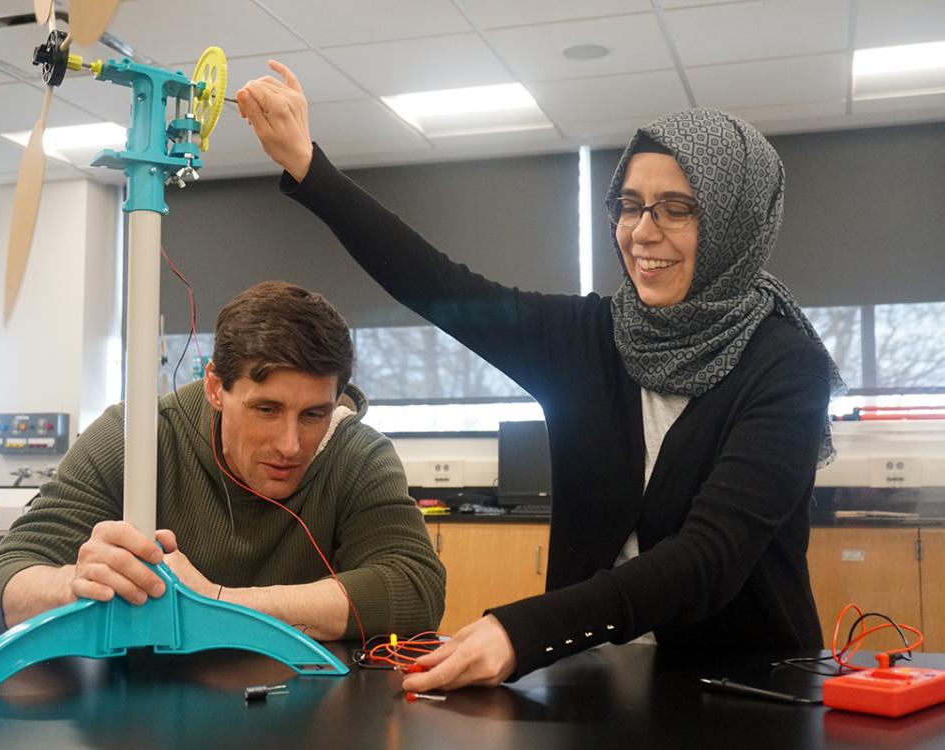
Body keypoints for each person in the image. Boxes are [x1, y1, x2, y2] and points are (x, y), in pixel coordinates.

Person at [236, 63, 846, 692]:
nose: (642, 232)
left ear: (733, 222)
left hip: (743, 691)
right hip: (589, 679)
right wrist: (310, 167)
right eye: (630, 206)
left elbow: (708, 557)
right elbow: (439, 285)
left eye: (677, 209)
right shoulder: (590, 338)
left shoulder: (785, 366)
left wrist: (522, 631)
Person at [0, 281, 446, 641]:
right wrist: (76, 585)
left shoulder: (358, 455)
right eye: (266, 409)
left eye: (314, 414)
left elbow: (415, 590)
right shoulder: (132, 437)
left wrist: (214, 603)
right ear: (217, 387)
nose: (291, 445)